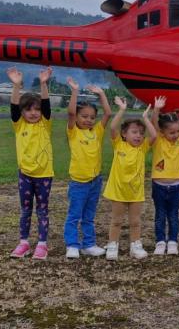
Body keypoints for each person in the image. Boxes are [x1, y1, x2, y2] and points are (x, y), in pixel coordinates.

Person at [7, 66, 55, 260]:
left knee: (42, 210)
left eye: (36, 109)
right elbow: (13, 107)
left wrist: (43, 83)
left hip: (44, 175)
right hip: (25, 174)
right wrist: (16, 86)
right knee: (26, 210)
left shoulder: (45, 123)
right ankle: (24, 242)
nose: (34, 113)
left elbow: (46, 105)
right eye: (29, 110)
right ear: (23, 112)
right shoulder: (19, 125)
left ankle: (42, 244)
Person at [102, 97, 157, 261]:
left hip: (135, 193)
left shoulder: (143, 148)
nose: (139, 136)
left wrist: (146, 118)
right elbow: (112, 127)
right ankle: (113, 245)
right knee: (116, 221)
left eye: (141, 133)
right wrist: (122, 110)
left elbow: (154, 135)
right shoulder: (118, 144)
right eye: (134, 132)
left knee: (135, 222)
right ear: (124, 134)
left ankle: (135, 246)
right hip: (118, 191)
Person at [63, 77, 111, 259]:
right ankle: (72, 244)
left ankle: (89, 244)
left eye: (92, 117)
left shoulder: (96, 132)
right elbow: (70, 114)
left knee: (89, 215)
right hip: (79, 183)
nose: (89, 120)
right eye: (84, 116)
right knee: (74, 215)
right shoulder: (73, 132)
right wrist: (75, 90)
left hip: (95, 181)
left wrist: (101, 93)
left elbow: (107, 114)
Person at [149, 95, 179, 255]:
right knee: (160, 215)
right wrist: (156, 108)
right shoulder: (158, 140)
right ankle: (160, 241)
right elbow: (153, 124)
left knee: (173, 215)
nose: (176, 134)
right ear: (162, 132)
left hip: (176, 186)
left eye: (177, 131)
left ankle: (172, 241)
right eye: (172, 132)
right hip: (159, 186)